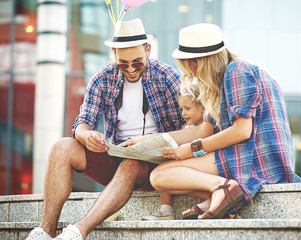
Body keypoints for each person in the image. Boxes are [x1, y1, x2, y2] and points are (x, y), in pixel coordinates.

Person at [124, 23, 301, 220]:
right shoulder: (222, 80)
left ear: (200, 62)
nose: (191, 73)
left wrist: (192, 149)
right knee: (160, 176)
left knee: (160, 176)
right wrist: (146, 140)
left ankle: (222, 189)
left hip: (256, 160)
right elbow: (202, 131)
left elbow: (242, 131)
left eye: (190, 65)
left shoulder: (237, 71)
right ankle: (221, 194)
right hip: (244, 155)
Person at [26, 18, 184, 240]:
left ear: (148, 50)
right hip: (115, 157)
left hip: (155, 166)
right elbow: (81, 123)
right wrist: (86, 134)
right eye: (123, 63)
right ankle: (45, 231)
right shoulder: (103, 78)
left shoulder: (168, 77)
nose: (130, 69)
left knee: (131, 163)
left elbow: (188, 129)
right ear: (114, 56)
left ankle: (77, 232)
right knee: (62, 146)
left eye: (137, 62)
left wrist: (149, 142)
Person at [142, 81, 205, 220]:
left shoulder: (209, 128)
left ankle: (212, 199)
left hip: (202, 167)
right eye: (181, 109)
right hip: (185, 168)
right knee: (164, 165)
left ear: (203, 108)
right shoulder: (186, 128)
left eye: (187, 108)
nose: (183, 113)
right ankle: (165, 209)